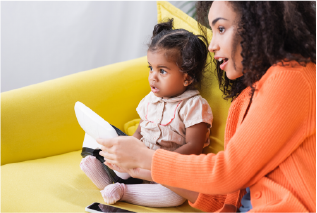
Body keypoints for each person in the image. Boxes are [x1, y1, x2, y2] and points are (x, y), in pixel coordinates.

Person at [97, 0, 316, 212]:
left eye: (221, 28)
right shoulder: (247, 97)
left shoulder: (292, 76)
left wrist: (146, 157)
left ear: (259, 23)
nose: (212, 45)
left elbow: (227, 172)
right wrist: (143, 169)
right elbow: (227, 197)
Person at [80, 18, 214, 207]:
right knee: (112, 142)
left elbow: (194, 147)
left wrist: (157, 163)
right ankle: (111, 177)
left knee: (174, 196)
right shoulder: (151, 100)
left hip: (169, 173)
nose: (153, 76)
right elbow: (140, 131)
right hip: (139, 164)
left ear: (187, 78)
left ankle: (123, 191)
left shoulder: (193, 106)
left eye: (162, 71)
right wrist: (126, 148)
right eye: (151, 68)